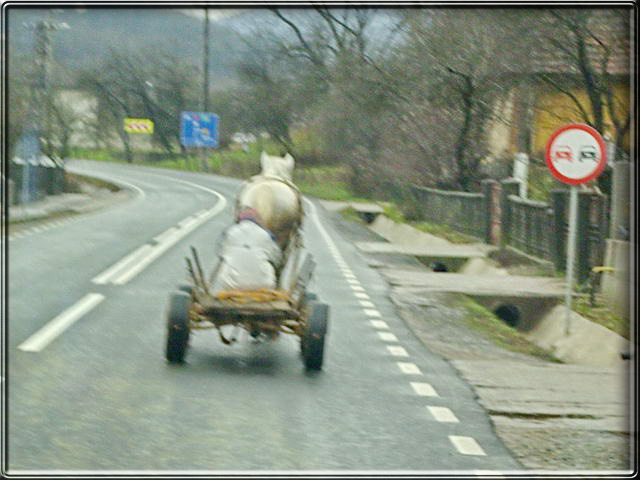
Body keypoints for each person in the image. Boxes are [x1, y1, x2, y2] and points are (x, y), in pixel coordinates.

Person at [209, 207, 283, 292]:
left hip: (231, 285)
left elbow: (220, 253)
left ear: (239, 219)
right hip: (264, 285)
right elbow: (276, 258)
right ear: (257, 220)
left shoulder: (229, 232)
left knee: (224, 265)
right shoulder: (266, 234)